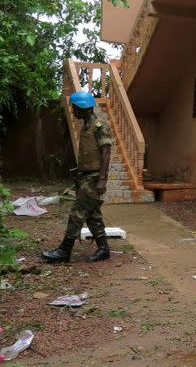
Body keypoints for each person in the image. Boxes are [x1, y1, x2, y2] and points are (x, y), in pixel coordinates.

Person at [42, 92, 113, 263]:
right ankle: (104, 249)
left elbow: (106, 152)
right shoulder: (87, 125)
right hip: (85, 176)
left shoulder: (99, 125)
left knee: (78, 212)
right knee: (92, 214)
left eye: (75, 108)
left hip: (94, 177)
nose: (73, 111)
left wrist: (102, 178)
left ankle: (64, 251)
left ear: (83, 108)